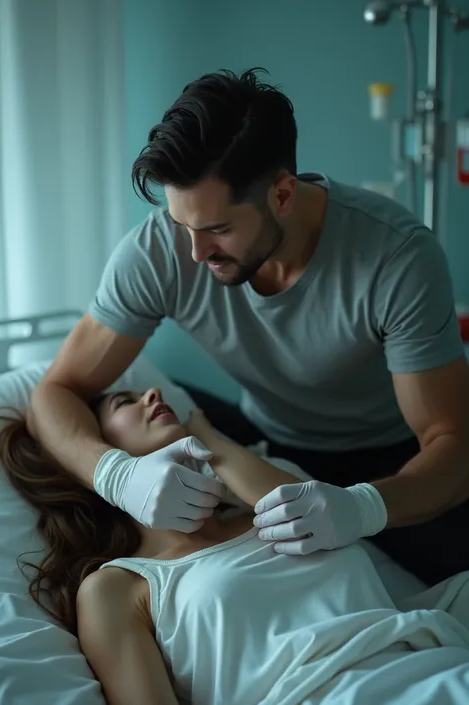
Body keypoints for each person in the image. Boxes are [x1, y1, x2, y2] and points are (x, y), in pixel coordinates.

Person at [28, 67, 469, 588]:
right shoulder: (159, 251)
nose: (194, 253)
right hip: (263, 432)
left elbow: (452, 443)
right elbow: (54, 392)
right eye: (183, 225)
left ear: (283, 194)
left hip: (390, 455)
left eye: (217, 229)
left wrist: (362, 507)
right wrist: (118, 477)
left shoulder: (397, 258)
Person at [0, 391, 469, 705]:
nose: (154, 395)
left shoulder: (268, 511)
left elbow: (295, 494)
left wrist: (208, 438)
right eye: (126, 401)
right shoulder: (119, 587)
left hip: (434, 666)